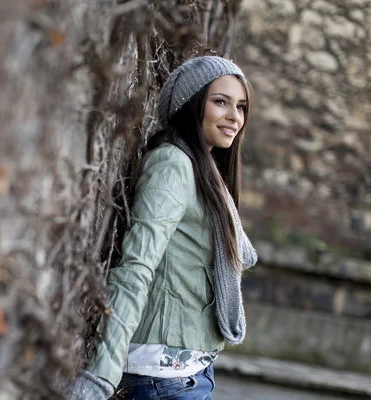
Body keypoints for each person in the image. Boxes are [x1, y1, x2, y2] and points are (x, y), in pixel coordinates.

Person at [67, 56, 258, 400]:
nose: (235, 117)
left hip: (188, 371)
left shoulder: (206, 171)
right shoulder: (173, 164)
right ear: (191, 103)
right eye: (220, 102)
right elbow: (136, 267)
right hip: (163, 377)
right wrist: (100, 376)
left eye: (241, 107)